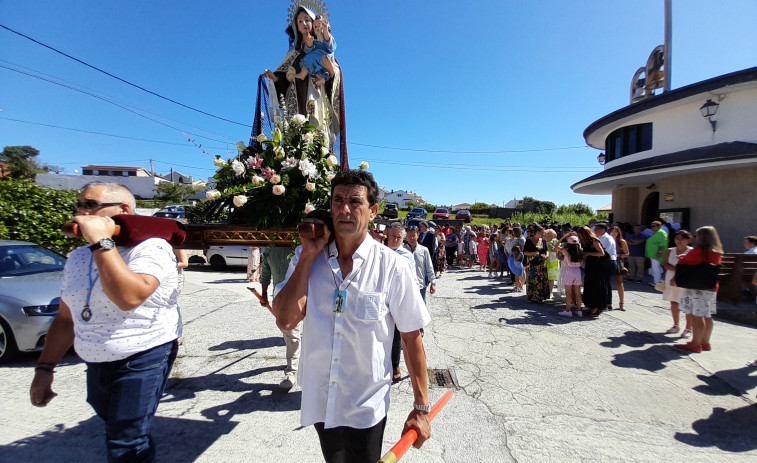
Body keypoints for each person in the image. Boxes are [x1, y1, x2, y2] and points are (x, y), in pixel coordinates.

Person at [272, 170, 431, 462]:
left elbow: (411, 336)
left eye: (355, 202)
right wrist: (308, 254)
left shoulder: (392, 266)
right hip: (322, 399)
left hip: (365, 405)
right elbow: (285, 320)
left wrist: (421, 409)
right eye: (338, 200)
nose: (344, 209)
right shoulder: (307, 257)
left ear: (373, 212)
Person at [30, 182, 181, 462]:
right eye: (80, 205)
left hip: (143, 353)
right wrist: (44, 368)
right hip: (95, 358)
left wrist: (102, 242)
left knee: (126, 441)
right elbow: (66, 318)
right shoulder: (77, 257)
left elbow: (129, 297)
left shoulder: (152, 248)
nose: (82, 212)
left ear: (123, 210)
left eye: (91, 205)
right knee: (115, 425)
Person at [673, 226, 724, 353]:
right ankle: (705, 342)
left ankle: (695, 344)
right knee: (707, 315)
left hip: (697, 288)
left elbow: (685, 261)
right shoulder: (716, 252)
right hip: (711, 287)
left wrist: (681, 258)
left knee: (697, 316)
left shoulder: (698, 251)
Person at [259, 246, 298, 389]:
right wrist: (263, 294)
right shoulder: (269, 249)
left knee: (294, 336)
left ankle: (292, 371)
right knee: (290, 335)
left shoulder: (300, 245)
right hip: (280, 298)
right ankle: (293, 368)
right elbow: (266, 272)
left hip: (301, 296)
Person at [385, 223, 416, 383]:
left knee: (398, 336)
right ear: (387, 235)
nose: (395, 240)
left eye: (399, 237)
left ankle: (395, 366)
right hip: (381, 299)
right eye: (393, 236)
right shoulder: (379, 252)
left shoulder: (406, 255)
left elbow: (411, 280)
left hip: (399, 299)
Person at [662, 230, 693, 338]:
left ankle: (689, 328)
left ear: (688, 240)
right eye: (677, 238)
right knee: (674, 302)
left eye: (682, 238)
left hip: (686, 280)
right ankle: (676, 325)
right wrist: (679, 269)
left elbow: (692, 268)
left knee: (687, 304)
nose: (679, 241)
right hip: (671, 278)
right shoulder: (670, 251)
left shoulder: (691, 252)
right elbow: (665, 264)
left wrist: (679, 270)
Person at [295, 15, 336, 87]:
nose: (304, 24)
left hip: (323, 58)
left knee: (308, 58)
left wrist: (325, 29)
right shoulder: (313, 41)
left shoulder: (325, 39)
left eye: (307, 20)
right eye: (315, 27)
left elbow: (327, 40)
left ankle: (303, 74)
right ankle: (320, 78)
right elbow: (308, 49)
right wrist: (310, 44)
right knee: (318, 71)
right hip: (316, 63)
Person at [577, 226, 607, 316]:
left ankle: (596, 308)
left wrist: (587, 253)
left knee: (596, 286)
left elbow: (601, 253)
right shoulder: (585, 242)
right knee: (589, 285)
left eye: (581, 235)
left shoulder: (594, 241)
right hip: (589, 265)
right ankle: (591, 306)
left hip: (596, 266)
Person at [557, 234, 584, 318]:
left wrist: (562, 237)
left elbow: (555, 247)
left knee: (568, 293)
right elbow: (582, 263)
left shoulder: (566, 251)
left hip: (568, 271)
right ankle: (579, 310)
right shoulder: (581, 252)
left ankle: (568, 310)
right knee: (578, 292)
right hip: (577, 271)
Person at [523, 224, 550, 303]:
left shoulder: (543, 241)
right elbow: (525, 252)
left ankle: (540, 296)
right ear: (537, 232)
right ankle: (532, 296)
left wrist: (547, 255)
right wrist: (533, 254)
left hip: (541, 263)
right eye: (542, 233)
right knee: (533, 279)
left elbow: (546, 250)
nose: (543, 234)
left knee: (541, 279)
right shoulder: (529, 240)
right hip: (532, 263)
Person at [608, 225, 629, 310]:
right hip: (608, 261)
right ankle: (608, 303)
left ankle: (621, 303)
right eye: (612, 231)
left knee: (619, 283)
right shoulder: (607, 240)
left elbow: (627, 253)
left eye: (616, 231)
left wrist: (619, 255)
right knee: (607, 283)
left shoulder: (621, 241)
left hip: (617, 261)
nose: (614, 233)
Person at [645, 221, 668, 286]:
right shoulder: (656, 233)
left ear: (659, 226)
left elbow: (662, 244)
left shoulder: (661, 233)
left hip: (657, 254)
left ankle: (657, 282)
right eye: (651, 226)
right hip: (653, 254)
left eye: (653, 226)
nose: (652, 228)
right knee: (656, 268)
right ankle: (658, 281)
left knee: (656, 268)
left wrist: (660, 252)